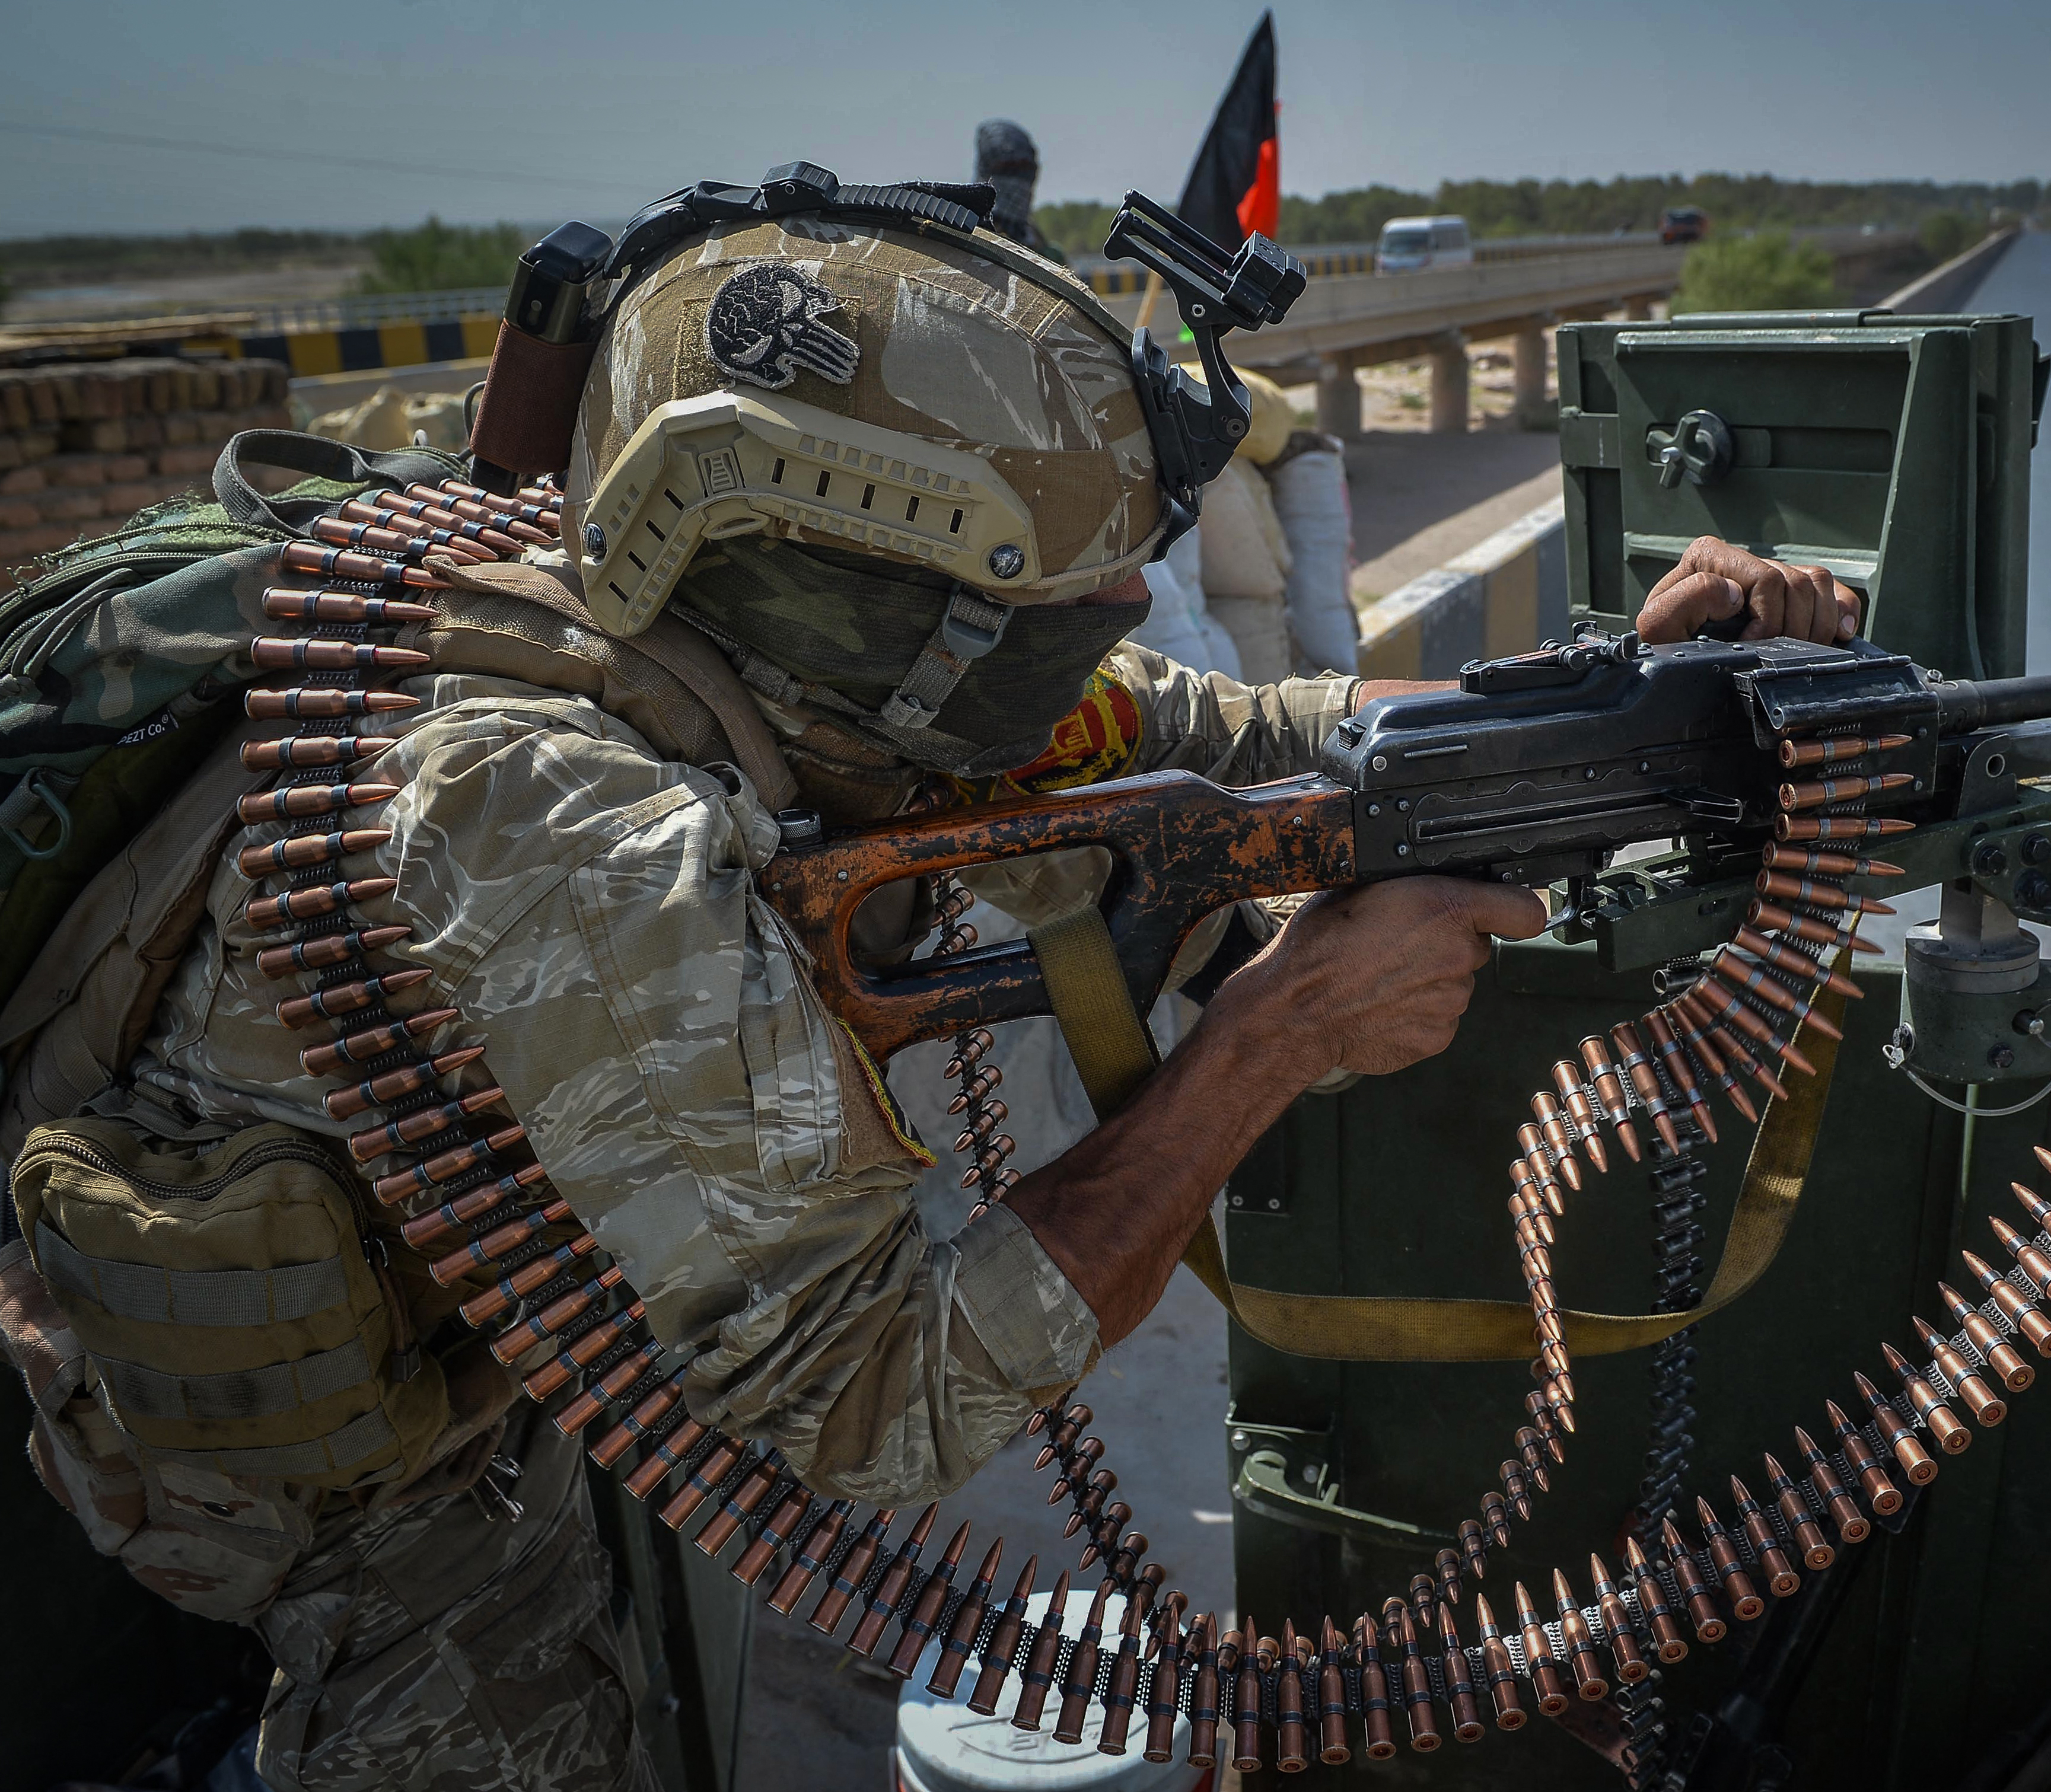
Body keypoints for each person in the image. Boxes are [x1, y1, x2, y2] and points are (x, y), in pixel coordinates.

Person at [13, 186, 1859, 1792]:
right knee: (495, 1713)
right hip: (340, 1404)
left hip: (538, 1238)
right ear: (858, 606)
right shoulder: (556, 824)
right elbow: (869, 1397)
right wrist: (1279, 1027)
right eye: (1050, 613)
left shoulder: (770, 656)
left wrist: (1582, 693)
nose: (1123, 629)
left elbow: (1229, 733)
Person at [974, 119, 1064, 262]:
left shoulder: (1035, 239)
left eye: (1025, 170)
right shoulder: (967, 232)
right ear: (986, 171)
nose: (1017, 180)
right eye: (1008, 169)